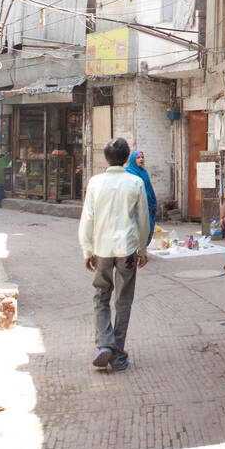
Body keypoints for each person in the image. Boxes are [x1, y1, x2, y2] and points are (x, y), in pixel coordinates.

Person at [78, 138, 150, 373]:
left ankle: (105, 343)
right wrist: (142, 248)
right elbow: (143, 221)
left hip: (102, 249)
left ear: (106, 158)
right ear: (128, 157)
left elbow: (87, 218)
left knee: (101, 296)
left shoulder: (96, 182)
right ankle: (117, 354)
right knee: (123, 301)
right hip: (127, 249)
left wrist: (87, 250)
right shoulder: (135, 182)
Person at [125, 148, 157, 245]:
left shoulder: (144, 172)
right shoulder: (128, 172)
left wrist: (154, 202)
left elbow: (149, 188)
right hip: (136, 205)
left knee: (148, 227)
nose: (141, 159)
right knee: (137, 227)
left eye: (142, 157)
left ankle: (142, 248)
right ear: (132, 160)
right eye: (138, 157)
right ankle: (136, 250)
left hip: (148, 204)